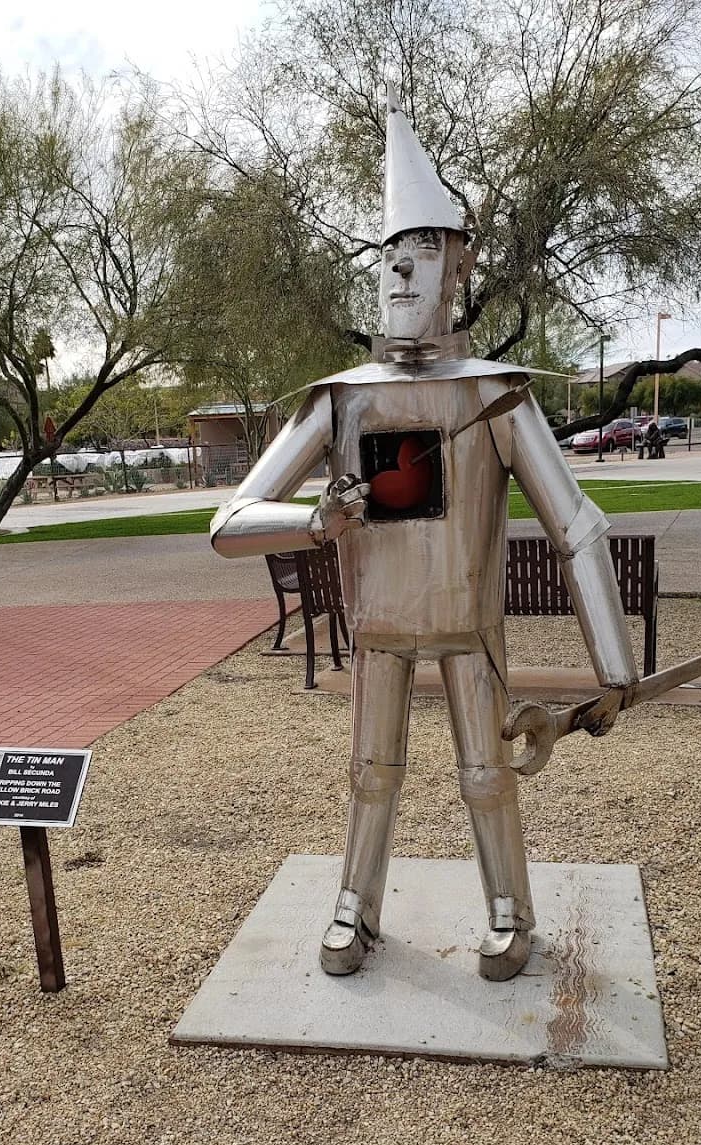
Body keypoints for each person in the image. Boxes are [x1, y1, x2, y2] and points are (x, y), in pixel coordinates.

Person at [210, 84, 639, 982]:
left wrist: (615, 670)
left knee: (486, 773)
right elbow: (231, 520)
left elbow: (577, 523)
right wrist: (316, 518)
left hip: (466, 620)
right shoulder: (342, 397)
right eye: (391, 255)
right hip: (379, 625)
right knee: (371, 768)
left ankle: (509, 909)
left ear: (459, 268)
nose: (401, 272)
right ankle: (353, 905)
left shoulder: (492, 393)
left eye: (423, 254)